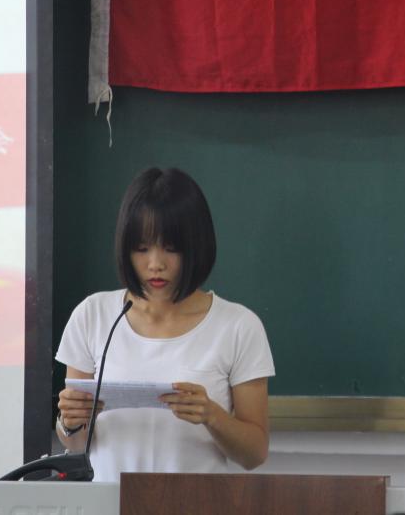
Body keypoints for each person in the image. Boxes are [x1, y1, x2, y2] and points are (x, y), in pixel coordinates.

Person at [55, 167, 274, 480]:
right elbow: (77, 445)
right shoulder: (93, 315)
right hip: (109, 501)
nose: (155, 264)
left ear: (196, 246)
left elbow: (254, 455)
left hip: (197, 501)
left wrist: (212, 416)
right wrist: (70, 423)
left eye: (171, 249)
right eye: (142, 249)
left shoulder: (239, 326)